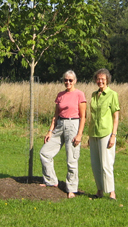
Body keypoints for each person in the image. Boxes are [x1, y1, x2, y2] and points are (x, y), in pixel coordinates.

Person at [40, 70, 87, 199]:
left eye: (70, 80)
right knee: (45, 152)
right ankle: (51, 180)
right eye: (65, 80)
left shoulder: (79, 95)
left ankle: (71, 188)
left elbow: (83, 117)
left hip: (73, 125)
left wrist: (79, 134)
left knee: (71, 159)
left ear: (75, 81)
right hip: (60, 125)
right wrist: (50, 131)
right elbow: (55, 115)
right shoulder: (60, 95)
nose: (68, 82)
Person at [89, 68, 120, 200]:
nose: (100, 81)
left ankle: (111, 192)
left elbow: (116, 116)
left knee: (106, 163)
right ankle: (100, 190)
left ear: (107, 80)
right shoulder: (93, 95)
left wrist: (113, 135)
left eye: (103, 79)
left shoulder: (112, 94)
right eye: (98, 79)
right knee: (96, 164)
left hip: (106, 132)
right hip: (93, 133)